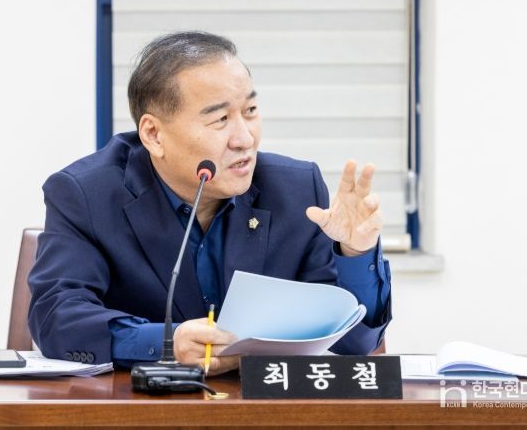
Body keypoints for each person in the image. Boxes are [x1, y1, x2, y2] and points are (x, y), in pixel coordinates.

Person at [28, 31, 392, 375]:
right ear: (153, 134)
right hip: (141, 405)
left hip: (258, 409)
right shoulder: (86, 194)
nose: (245, 138)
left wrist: (355, 253)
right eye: (220, 119)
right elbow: (57, 317)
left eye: (250, 110)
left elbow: (355, 344)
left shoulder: (296, 191)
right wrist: (164, 343)